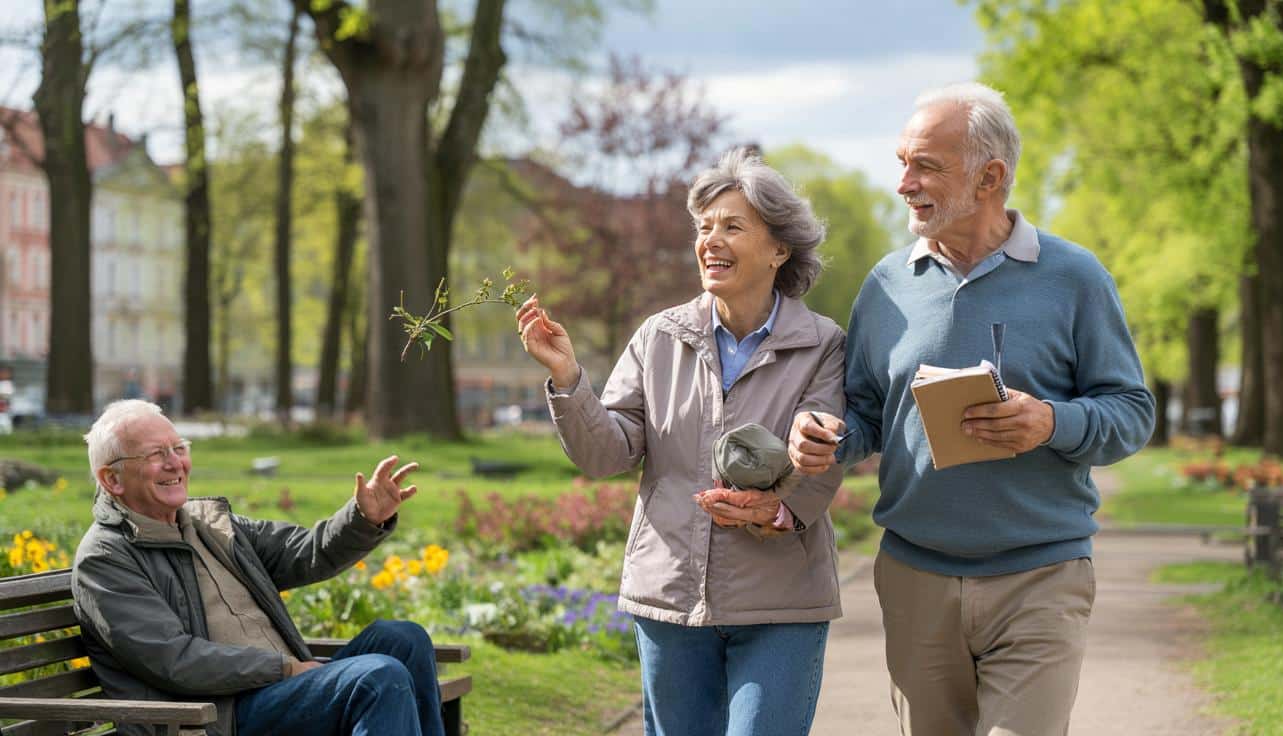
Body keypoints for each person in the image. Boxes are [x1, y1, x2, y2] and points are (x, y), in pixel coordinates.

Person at [789, 82, 1155, 735]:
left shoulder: (1075, 277)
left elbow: (1131, 412)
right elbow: (867, 415)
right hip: (915, 576)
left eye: (925, 164)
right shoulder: (886, 286)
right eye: (902, 161)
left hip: (1041, 576)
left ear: (991, 177)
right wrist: (828, 436)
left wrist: (1051, 421)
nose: (904, 182)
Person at [517, 148, 846, 736]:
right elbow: (606, 453)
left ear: (778, 250)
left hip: (781, 602)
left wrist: (775, 508)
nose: (710, 240)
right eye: (704, 228)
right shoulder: (660, 337)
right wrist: (568, 379)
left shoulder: (823, 344)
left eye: (732, 226)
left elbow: (823, 452)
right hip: (669, 597)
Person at [72, 399, 444, 736]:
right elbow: (174, 660)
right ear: (112, 479)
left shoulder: (212, 525)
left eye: (179, 448)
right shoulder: (105, 558)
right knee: (378, 677)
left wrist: (362, 518)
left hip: (284, 692)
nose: (175, 463)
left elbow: (305, 551)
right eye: (156, 454)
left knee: (403, 640)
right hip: (220, 716)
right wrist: (283, 669)